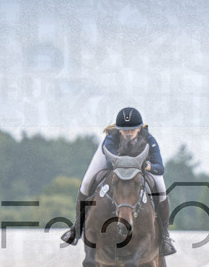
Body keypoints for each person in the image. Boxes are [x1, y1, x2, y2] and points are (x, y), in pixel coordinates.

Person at [61, 107, 176, 256]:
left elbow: (159, 168)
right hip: (113, 164)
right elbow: (110, 164)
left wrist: (148, 166)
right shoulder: (111, 139)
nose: (128, 133)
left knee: (161, 190)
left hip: (141, 168)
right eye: (125, 130)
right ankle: (76, 228)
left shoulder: (149, 140)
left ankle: (165, 236)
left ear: (139, 129)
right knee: (87, 183)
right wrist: (130, 164)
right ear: (119, 129)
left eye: (132, 130)